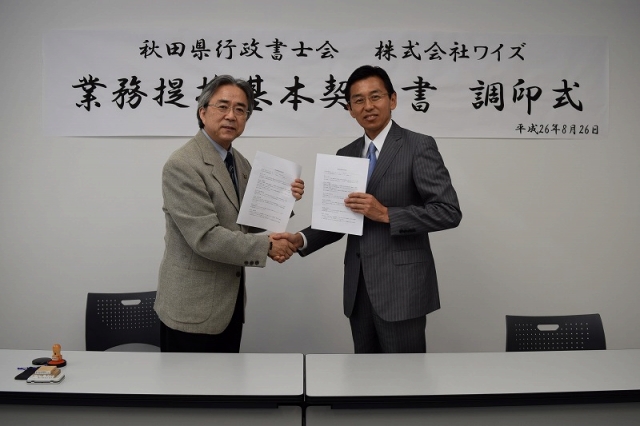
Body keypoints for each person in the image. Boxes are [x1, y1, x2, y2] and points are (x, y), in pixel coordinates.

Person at [279, 65, 461, 353]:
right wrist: (299, 239)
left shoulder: (418, 145)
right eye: (358, 100)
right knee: (363, 375)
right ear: (350, 109)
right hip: (358, 289)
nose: (368, 106)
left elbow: (448, 211)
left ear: (393, 99)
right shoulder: (345, 154)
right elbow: (339, 221)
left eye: (375, 97)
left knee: (405, 376)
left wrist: (386, 214)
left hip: (403, 290)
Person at [154, 74, 304, 353]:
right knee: (190, 382)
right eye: (222, 106)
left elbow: (247, 219)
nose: (231, 116)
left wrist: (286, 198)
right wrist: (268, 246)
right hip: (191, 310)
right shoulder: (183, 164)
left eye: (240, 109)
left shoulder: (238, 161)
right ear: (203, 112)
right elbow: (206, 238)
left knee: (227, 380)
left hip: (228, 304)